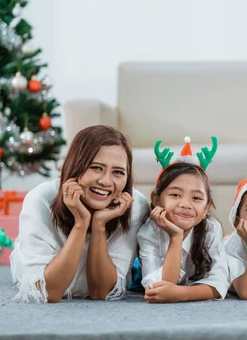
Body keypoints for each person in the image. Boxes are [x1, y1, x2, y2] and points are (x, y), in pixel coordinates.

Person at [10, 125, 149, 303]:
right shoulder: (39, 199)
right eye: (96, 168)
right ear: (75, 165)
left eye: (118, 172)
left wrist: (98, 225)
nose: (106, 181)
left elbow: (101, 293)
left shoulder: (135, 206)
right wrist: (81, 223)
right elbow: (48, 292)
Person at [137, 137, 229, 303]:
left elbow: (219, 283)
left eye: (196, 198)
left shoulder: (211, 228)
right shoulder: (148, 231)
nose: (185, 204)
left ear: (207, 207)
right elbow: (159, 287)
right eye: (175, 195)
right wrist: (176, 237)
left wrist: (180, 294)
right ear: (156, 200)